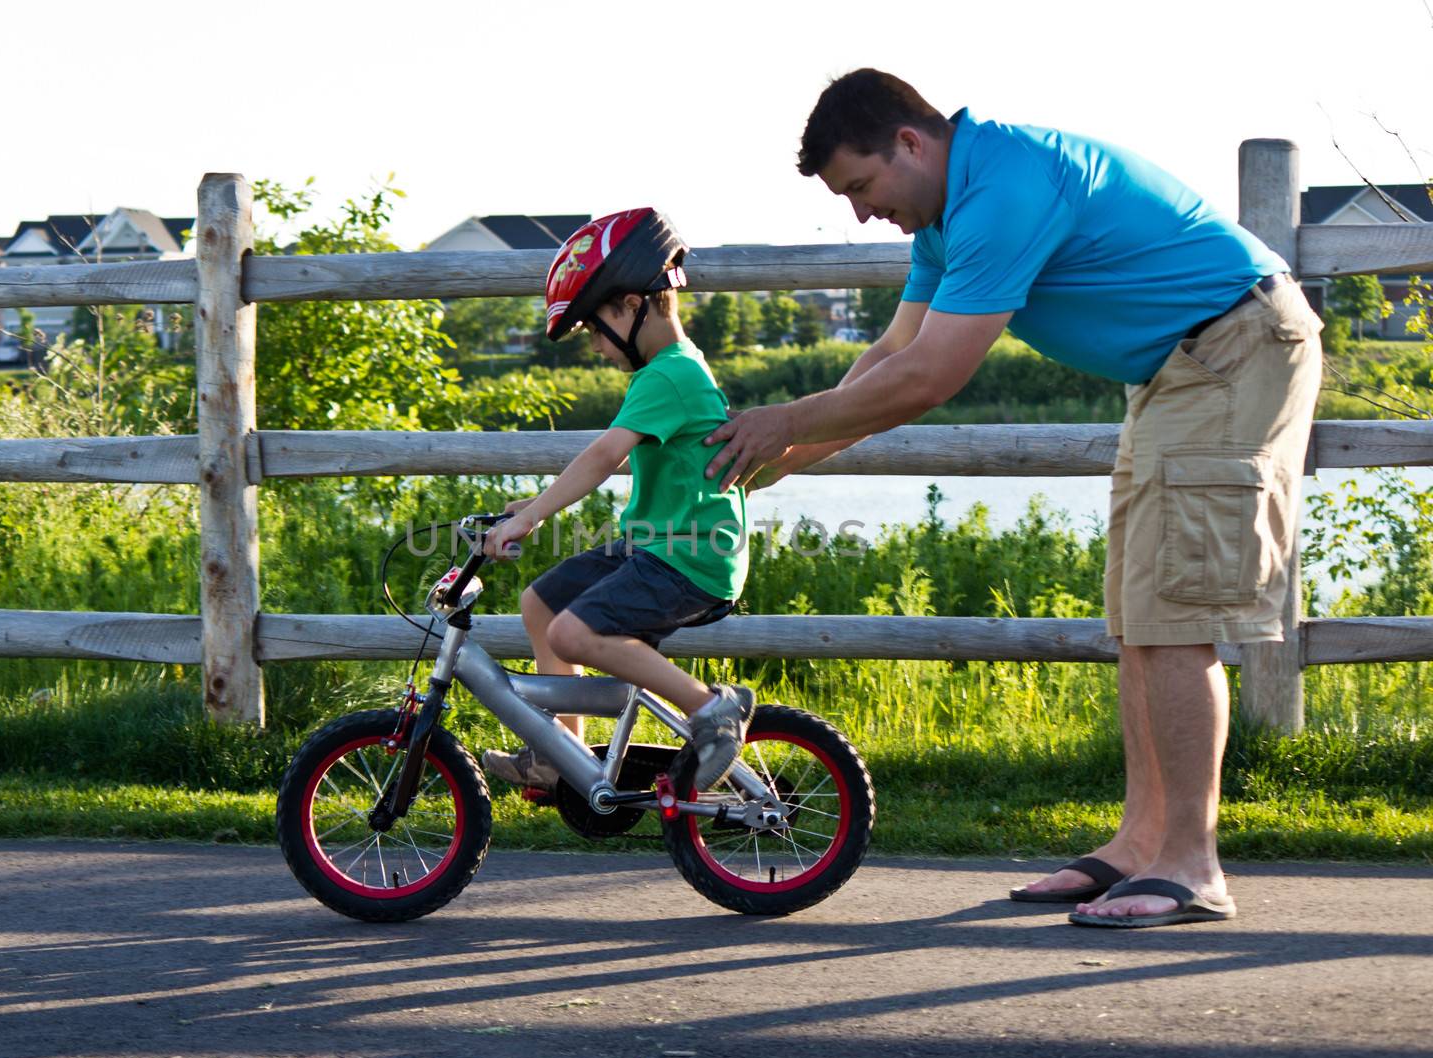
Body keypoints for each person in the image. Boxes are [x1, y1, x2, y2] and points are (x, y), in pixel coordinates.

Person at [703, 69, 1322, 928]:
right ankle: (1140, 846)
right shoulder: (946, 214)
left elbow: (932, 378)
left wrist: (785, 421)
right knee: (1138, 617)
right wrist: (790, 453)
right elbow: (892, 354)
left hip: (1234, 347)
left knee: (1176, 616)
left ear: (910, 144)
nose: (858, 212)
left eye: (860, 185)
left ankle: (1194, 863)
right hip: (1175, 369)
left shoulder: (1006, 185)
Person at [479, 207, 754, 793]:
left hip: (689, 558)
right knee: (541, 606)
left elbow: (604, 456)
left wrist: (530, 519)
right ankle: (562, 755)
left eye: (593, 327)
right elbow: (635, 458)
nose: (595, 346)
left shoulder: (669, 373)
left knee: (573, 635)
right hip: (654, 548)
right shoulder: (667, 372)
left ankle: (713, 710)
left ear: (631, 305)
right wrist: (534, 502)